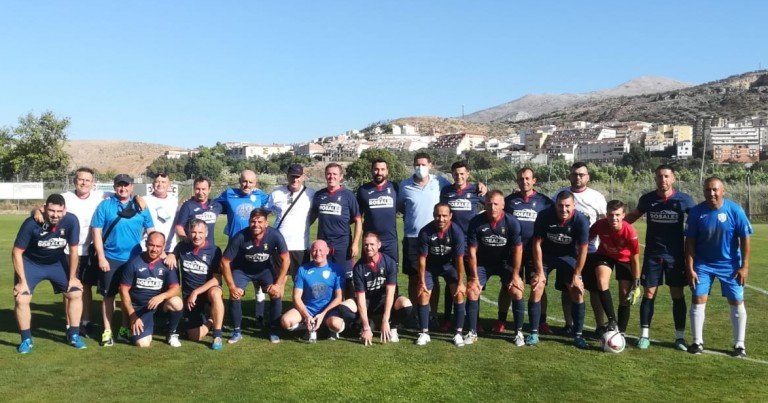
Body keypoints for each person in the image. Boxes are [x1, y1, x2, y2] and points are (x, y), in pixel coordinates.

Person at [625, 164, 695, 350]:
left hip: (675, 255)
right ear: (655, 179)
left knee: (677, 294)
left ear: (673, 178)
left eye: (666, 176)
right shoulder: (648, 199)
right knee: (649, 294)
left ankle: (679, 337)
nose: (662, 180)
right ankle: (644, 336)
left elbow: (698, 220)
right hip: (653, 255)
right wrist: (611, 224)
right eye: (659, 176)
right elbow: (632, 217)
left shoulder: (684, 200)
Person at [685, 177, 752, 357]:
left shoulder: (735, 211)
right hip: (703, 264)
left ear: (723, 191)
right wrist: (690, 268)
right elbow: (689, 242)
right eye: (708, 190)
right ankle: (697, 342)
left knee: (736, 301)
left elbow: (745, 239)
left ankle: (739, 345)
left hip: (729, 265)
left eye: (715, 190)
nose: (711, 193)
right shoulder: (696, 212)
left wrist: (744, 266)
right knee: (698, 299)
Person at [13, 194, 86, 353]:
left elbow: (74, 250)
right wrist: (22, 281)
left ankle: (73, 335)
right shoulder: (31, 223)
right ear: (45, 208)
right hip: (31, 264)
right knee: (22, 297)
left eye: (59, 211)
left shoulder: (71, 221)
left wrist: (73, 278)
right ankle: (26, 340)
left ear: (64, 210)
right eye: (51, 210)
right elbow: (17, 252)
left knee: (75, 293)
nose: (55, 215)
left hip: (56, 264)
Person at [91, 174, 155, 346]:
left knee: (129, 296)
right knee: (109, 296)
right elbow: (96, 232)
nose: (123, 188)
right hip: (110, 258)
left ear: (132, 187)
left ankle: (125, 329)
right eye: (120, 185)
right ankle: (107, 331)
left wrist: (157, 253)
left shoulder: (141, 206)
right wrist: (102, 257)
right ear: (114, 187)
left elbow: (151, 231)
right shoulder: (106, 205)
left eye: (126, 185)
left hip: (135, 260)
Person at [528, 191, 590, 348]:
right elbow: (537, 244)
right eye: (560, 206)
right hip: (546, 255)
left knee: (576, 290)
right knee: (537, 286)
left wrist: (577, 275)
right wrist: (540, 271)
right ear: (555, 205)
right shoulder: (544, 216)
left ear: (574, 206)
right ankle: (534, 333)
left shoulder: (581, 220)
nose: (564, 209)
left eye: (567, 206)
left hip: (568, 256)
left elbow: (583, 250)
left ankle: (578, 335)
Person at [220, 208, 290, 344]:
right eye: (253, 221)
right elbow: (224, 261)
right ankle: (237, 331)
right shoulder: (240, 236)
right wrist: (231, 286)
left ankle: (274, 330)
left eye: (260, 221)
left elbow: (286, 259)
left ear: (266, 223)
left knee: (276, 294)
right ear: (249, 222)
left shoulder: (275, 235)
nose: (256, 224)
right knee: (235, 294)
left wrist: (278, 284)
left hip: (264, 270)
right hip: (242, 270)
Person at [553, 162, 607, 333]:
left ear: (588, 177)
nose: (578, 177)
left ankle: (600, 325)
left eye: (581, 174)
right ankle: (569, 324)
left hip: (590, 250)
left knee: (594, 290)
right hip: (566, 250)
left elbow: (605, 222)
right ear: (570, 176)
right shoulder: (559, 195)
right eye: (575, 174)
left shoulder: (596, 197)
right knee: (567, 288)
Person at [398, 152, 451, 326]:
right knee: (414, 278)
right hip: (412, 238)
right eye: (416, 164)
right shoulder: (405, 185)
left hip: (434, 237)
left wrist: (479, 186)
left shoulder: (440, 182)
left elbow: (457, 190)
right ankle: (414, 314)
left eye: (423, 164)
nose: (419, 168)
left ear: (430, 164)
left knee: (433, 277)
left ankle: (432, 314)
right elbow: (400, 206)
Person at [466, 190, 523, 345]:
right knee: (472, 290)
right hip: (483, 263)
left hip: (505, 262)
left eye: (496, 204)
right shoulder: (476, 222)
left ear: (503, 205)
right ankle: (472, 332)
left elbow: (518, 249)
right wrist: (474, 277)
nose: (492, 207)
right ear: (485, 204)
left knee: (517, 290)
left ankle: (518, 333)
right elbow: (471, 251)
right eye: (489, 204)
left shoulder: (512, 222)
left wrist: (516, 275)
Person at [214, 169, 271, 323]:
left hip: (256, 244)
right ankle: (233, 317)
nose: (247, 185)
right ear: (239, 181)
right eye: (244, 181)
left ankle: (259, 314)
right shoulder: (229, 193)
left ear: (256, 183)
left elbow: (275, 204)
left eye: (251, 182)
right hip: (236, 246)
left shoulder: (261, 196)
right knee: (236, 281)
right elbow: (214, 203)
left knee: (258, 281)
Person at [337, 232, 413, 345]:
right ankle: (365, 325)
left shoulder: (389, 262)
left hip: (384, 300)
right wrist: (366, 327)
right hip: (367, 302)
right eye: (366, 245)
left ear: (379, 245)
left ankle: (392, 326)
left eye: (372, 244)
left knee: (406, 304)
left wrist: (385, 320)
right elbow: (361, 298)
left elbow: (390, 293)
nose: (369, 248)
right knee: (344, 307)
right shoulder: (359, 267)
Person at [504, 167, 554, 334]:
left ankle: (542, 321)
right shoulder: (509, 201)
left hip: (536, 252)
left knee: (538, 285)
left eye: (527, 178)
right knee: (508, 285)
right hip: (513, 251)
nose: (524, 181)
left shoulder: (545, 202)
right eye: (520, 179)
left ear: (534, 180)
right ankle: (501, 320)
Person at [165, 219, 225, 350]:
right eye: (193, 232)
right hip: (190, 298)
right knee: (194, 336)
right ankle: (211, 320)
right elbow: (172, 255)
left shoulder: (214, 250)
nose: (196, 236)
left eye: (200, 232)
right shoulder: (182, 247)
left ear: (206, 233)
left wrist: (196, 292)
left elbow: (217, 279)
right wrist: (171, 255)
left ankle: (217, 335)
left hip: (207, 291)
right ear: (188, 233)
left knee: (216, 293)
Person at [583, 200, 640, 337]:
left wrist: (636, 282)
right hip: (605, 255)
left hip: (625, 259)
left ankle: (622, 332)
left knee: (624, 294)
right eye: (610, 215)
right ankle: (612, 320)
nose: (613, 218)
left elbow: (635, 259)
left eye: (617, 215)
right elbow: (586, 239)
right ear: (606, 215)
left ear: (623, 215)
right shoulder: (600, 225)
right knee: (601, 282)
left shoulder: (630, 232)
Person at [438, 161, 484, 330]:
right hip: (450, 242)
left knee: (473, 280)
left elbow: (493, 202)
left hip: (471, 244)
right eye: (456, 174)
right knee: (453, 280)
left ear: (468, 174)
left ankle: (475, 320)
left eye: (462, 173)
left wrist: (485, 189)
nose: (459, 176)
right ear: (452, 174)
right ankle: (448, 318)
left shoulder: (476, 190)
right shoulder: (446, 192)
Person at [119, 232, 184, 348]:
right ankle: (129, 329)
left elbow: (176, 289)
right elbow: (123, 290)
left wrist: (161, 297)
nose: (154, 249)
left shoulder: (166, 265)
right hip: (140, 309)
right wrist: (133, 315)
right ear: (146, 244)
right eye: (151, 245)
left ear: (164, 247)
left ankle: (171, 334)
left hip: (158, 306)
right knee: (142, 344)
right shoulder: (133, 263)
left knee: (176, 302)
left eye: (158, 246)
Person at [415, 203, 467, 347]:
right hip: (431, 267)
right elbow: (422, 259)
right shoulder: (425, 232)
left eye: (444, 215)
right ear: (433, 215)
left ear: (450, 216)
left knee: (459, 293)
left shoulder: (457, 232)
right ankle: (424, 332)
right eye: (438, 215)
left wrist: (461, 282)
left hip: (449, 266)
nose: (441, 219)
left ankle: (458, 333)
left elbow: (460, 259)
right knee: (423, 293)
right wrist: (421, 281)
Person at [280, 240, 344, 342]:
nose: (318, 253)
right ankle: (309, 325)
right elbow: (296, 297)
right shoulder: (303, 269)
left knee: (336, 324)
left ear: (327, 251)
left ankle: (326, 328)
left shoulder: (336, 269)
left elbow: (339, 297)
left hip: (328, 311)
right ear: (311, 252)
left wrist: (323, 314)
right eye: (314, 250)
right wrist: (307, 316)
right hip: (308, 309)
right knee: (285, 321)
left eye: (320, 250)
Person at [310, 163, 362, 277]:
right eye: (328, 174)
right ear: (325, 176)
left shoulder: (348, 195)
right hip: (323, 245)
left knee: (346, 279)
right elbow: (312, 216)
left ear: (341, 177)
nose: (331, 176)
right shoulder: (319, 195)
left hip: (343, 245)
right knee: (324, 277)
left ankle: (347, 296)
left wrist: (355, 244)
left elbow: (358, 220)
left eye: (334, 174)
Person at [269, 164, 315, 275]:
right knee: (279, 282)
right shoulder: (276, 193)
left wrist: (305, 224)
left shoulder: (311, 194)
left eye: (298, 176)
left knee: (300, 282)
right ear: (287, 176)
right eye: (292, 176)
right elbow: (264, 213)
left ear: (303, 177)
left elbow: (316, 214)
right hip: (279, 245)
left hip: (301, 246)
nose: (295, 179)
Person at [356, 159, 399, 262]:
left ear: (387, 171)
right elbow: (358, 218)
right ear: (371, 170)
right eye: (376, 169)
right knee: (369, 273)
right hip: (370, 242)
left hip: (390, 241)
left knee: (391, 274)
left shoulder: (395, 187)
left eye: (382, 169)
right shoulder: (363, 190)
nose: (379, 172)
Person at [174, 176, 223, 245]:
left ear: (209, 189)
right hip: (191, 251)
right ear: (194, 189)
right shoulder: (188, 205)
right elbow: (179, 227)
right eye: (198, 189)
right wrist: (186, 239)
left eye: (203, 189)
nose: (200, 192)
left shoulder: (216, 205)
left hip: (209, 250)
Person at [142, 172, 179, 253]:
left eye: (163, 182)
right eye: (157, 182)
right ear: (153, 184)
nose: (160, 184)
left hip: (169, 249)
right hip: (149, 248)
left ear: (169, 185)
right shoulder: (145, 200)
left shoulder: (174, 201)